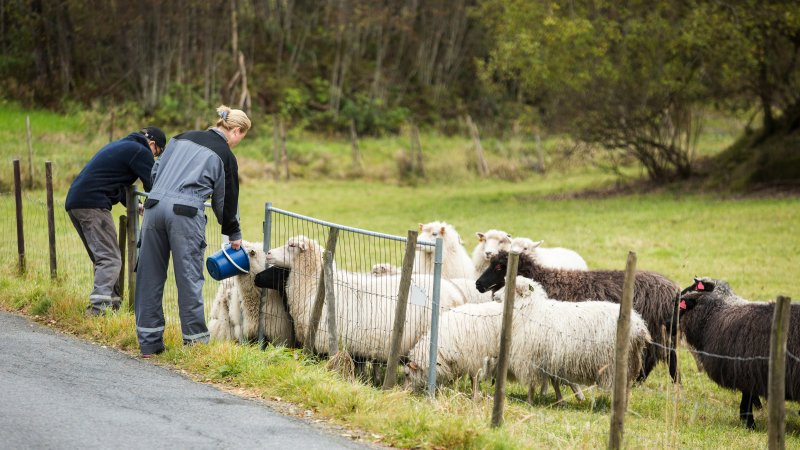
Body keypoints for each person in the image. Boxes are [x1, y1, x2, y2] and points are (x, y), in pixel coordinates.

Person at [135, 105, 250, 357]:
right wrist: (234, 234)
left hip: (153, 208)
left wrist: (161, 196)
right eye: (242, 137)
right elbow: (225, 202)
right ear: (237, 131)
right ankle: (195, 347)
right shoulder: (225, 155)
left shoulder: (180, 137)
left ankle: (149, 344)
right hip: (184, 215)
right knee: (188, 278)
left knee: (149, 275)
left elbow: (155, 171)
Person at [66, 126, 167, 316]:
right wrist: (157, 206)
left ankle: (112, 306)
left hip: (76, 202)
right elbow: (153, 184)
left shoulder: (124, 146)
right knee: (110, 258)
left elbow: (118, 185)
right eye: (157, 154)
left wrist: (137, 205)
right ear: (153, 144)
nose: (153, 158)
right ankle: (97, 310)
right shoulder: (141, 150)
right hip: (93, 205)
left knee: (102, 258)